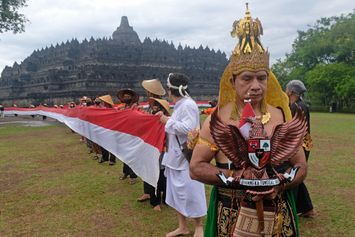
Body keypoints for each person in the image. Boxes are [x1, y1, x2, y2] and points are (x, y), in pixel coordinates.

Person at [189, 5, 307, 237]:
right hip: (231, 213)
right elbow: (196, 167)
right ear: (233, 82)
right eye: (247, 78)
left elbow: (301, 167)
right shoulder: (218, 120)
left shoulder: (282, 115)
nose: (255, 85)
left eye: (261, 78)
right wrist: (240, 179)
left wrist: (279, 184)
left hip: (278, 211)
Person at [157, 73, 206, 237]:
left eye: (168, 89)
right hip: (174, 157)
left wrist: (167, 121)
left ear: (172, 90)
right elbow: (179, 125)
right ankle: (182, 226)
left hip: (186, 157)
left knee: (192, 191)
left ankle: (199, 226)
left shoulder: (188, 105)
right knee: (176, 193)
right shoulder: (180, 105)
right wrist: (168, 119)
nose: (168, 93)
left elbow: (190, 129)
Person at [286, 80, 315, 218]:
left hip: (298, 146)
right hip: (303, 144)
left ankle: (290, 209)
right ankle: (307, 208)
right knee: (298, 174)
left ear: (291, 92)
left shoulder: (296, 107)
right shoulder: (300, 105)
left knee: (294, 174)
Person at [137, 78, 166, 203]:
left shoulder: (160, 105)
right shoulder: (150, 105)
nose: (146, 93)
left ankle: (158, 196)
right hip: (148, 140)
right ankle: (147, 192)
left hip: (157, 141)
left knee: (157, 168)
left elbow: (160, 121)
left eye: (147, 91)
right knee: (147, 166)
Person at [117, 89, 139, 184]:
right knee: (125, 155)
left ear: (132, 97)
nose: (126, 98)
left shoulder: (135, 107)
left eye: (128, 97)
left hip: (133, 134)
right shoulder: (124, 107)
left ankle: (133, 176)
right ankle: (125, 172)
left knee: (132, 155)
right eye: (125, 97)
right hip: (125, 134)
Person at [97, 95, 117, 166]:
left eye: (103, 101)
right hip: (104, 129)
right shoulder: (102, 110)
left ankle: (112, 160)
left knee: (111, 145)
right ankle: (105, 157)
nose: (102, 103)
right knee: (103, 144)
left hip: (111, 130)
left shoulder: (114, 110)